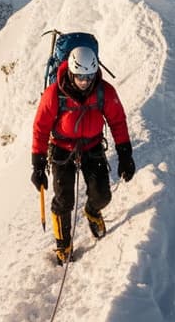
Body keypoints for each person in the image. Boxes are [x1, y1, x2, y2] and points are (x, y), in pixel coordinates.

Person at [31, 45, 135, 264]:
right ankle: (63, 245)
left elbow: (117, 120)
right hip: (62, 148)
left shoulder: (104, 91)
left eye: (89, 77)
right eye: (80, 77)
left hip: (93, 146)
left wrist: (125, 154)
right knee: (64, 200)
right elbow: (41, 128)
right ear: (70, 71)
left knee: (103, 195)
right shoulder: (54, 94)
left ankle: (92, 211)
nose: (85, 82)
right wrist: (38, 165)